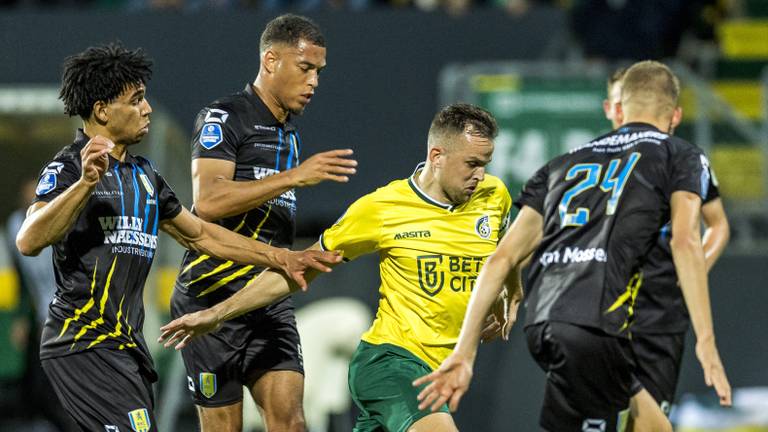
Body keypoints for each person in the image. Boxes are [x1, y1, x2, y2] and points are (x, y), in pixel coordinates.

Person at [14, 43, 340, 432]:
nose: (147, 108)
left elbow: (202, 235)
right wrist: (85, 183)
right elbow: (28, 240)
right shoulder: (69, 166)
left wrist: (280, 258)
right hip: (82, 343)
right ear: (102, 111)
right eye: (136, 101)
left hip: (126, 347)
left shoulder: (145, 176)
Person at [159, 103, 519, 432]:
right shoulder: (381, 209)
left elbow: (507, 250)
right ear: (437, 155)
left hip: (440, 370)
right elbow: (302, 270)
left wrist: (509, 293)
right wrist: (219, 313)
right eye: (472, 163)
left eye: (485, 162)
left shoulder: (494, 195)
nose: (480, 174)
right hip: (391, 364)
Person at [413, 60, 732, 431]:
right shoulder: (680, 154)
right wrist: (706, 342)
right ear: (675, 114)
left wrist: (465, 353)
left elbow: (503, 257)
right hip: (598, 324)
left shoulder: (564, 162)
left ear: (619, 109)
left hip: (545, 320)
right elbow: (685, 239)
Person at [169, 13, 358, 432]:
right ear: (271, 61)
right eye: (305, 68)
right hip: (210, 294)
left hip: (267, 298)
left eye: (319, 72)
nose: (314, 83)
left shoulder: (287, 134)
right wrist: (294, 176)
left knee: (291, 422)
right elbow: (210, 201)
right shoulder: (224, 116)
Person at [604, 69, 731, 431]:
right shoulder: (598, 162)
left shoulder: (680, 160)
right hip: (617, 317)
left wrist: (691, 271)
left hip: (653, 316)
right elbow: (688, 235)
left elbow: (716, 225)